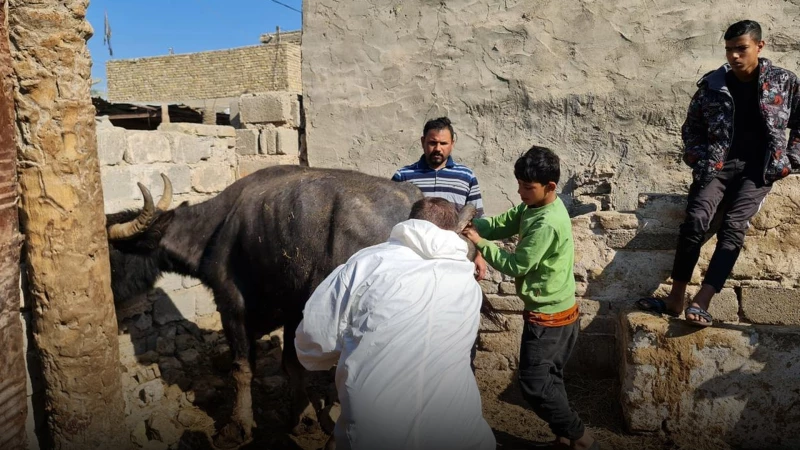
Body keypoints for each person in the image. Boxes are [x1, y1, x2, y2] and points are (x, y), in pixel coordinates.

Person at [295, 197, 496, 450]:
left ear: (410, 222)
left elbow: (313, 341)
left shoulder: (365, 264)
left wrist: (342, 351)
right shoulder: (467, 282)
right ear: (451, 231)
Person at [636, 20, 800, 327]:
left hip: (759, 170)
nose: (734, 56)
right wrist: (698, 157)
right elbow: (692, 129)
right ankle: (675, 299)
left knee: (734, 226)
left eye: (741, 48)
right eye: (729, 49)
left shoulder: (784, 81)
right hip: (717, 166)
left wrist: (788, 161)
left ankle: (702, 301)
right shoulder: (712, 84)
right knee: (696, 220)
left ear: (759, 47)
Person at [462, 146, 598, 450]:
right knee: (550, 379)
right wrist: (471, 225)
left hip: (550, 319)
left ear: (549, 187)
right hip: (557, 312)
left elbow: (516, 265)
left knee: (534, 384)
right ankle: (566, 440)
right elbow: (502, 223)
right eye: (520, 185)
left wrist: (479, 242)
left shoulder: (547, 222)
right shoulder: (533, 207)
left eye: (527, 187)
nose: (521, 192)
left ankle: (581, 437)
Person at [392, 116, 488, 280]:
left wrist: (480, 255)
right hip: (414, 260)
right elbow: (392, 217)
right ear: (423, 142)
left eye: (443, 143)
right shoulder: (403, 176)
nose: (438, 148)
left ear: (452, 143)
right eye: (432, 143)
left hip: (454, 259)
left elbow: (478, 220)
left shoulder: (466, 176)